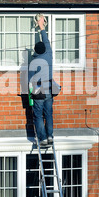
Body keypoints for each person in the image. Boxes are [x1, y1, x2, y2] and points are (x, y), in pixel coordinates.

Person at [28, 14, 54, 146]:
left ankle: (42, 138)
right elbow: (46, 40)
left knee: (38, 115)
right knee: (48, 113)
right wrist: (41, 26)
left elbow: (30, 79)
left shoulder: (34, 61)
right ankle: (50, 136)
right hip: (49, 87)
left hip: (38, 88)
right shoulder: (49, 53)